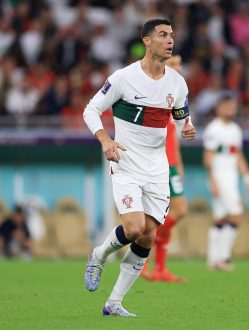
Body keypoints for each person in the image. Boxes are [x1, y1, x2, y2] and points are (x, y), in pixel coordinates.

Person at [83, 19, 196, 317]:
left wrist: (188, 127)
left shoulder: (177, 82)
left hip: (158, 169)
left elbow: (182, 115)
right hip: (127, 164)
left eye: (171, 35)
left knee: (148, 236)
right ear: (147, 41)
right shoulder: (124, 78)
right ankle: (99, 255)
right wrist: (105, 139)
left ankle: (114, 303)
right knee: (133, 228)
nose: (169, 40)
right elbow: (91, 109)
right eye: (162, 35)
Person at [141, 55, 189, 282]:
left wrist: (179, 166)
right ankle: (145, 245)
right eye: (173, 64)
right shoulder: (155, 97)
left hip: (171, 165)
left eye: (180, 64)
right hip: (159, 164)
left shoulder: (176, 98)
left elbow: (175, 139)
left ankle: (160, 269)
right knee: (177, 211)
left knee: (171, 213)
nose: (178, 68)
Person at [203, 92, 249, 271]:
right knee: (236, 214)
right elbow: (208, 157)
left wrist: (248, 179)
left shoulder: (235, 129)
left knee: (220, 219)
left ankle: (212, 260)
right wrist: (213, 182)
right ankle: (223, 258)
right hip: (220, 175)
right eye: (227, 106)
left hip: (232, 176)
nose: (230, 109)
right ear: (219, 108)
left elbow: (239, 156)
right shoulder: (213, 129)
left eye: (232, 106)